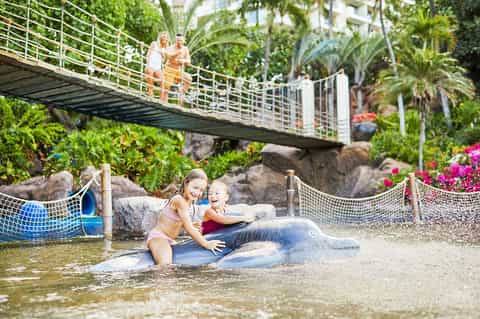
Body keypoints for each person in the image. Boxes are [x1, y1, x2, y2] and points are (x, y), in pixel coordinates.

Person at [147, 169, 225, 265]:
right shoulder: (179, 200)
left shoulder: (189, 201)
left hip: (171, 240)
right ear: (186, 183)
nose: (197, 193)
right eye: (195, 188)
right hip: (159, 238)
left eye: (201, 190)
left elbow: (175, 221)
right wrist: (206, 243)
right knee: (165, 266)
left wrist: (187, 225)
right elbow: (189, 229)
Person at [161, 33, 192, 103]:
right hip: (169, 69)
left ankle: (182, 94)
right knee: (166, 88)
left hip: (178, 70)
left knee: (188, 79)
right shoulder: (170, 48)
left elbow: (189, 61)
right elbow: (169, 57)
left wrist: (183, 61)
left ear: (184, 41)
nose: (179, 42)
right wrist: (177, 53)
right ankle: (163, 103)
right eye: (177, 40)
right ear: (175, 40)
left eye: (180, 40)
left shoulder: (185, 49)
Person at [145, 31, 169, 97]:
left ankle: (161, 98)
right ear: (160, 37)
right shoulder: (154, 44)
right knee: (150, 74)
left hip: (158, 68)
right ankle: (150, 93)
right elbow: (148, 55)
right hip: (150, 65)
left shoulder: (165, 48)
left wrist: (162, 54)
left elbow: (164, 61)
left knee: (163, 80)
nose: (165, 38)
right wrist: (147, 65)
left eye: (166, 37)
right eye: (163, 37)